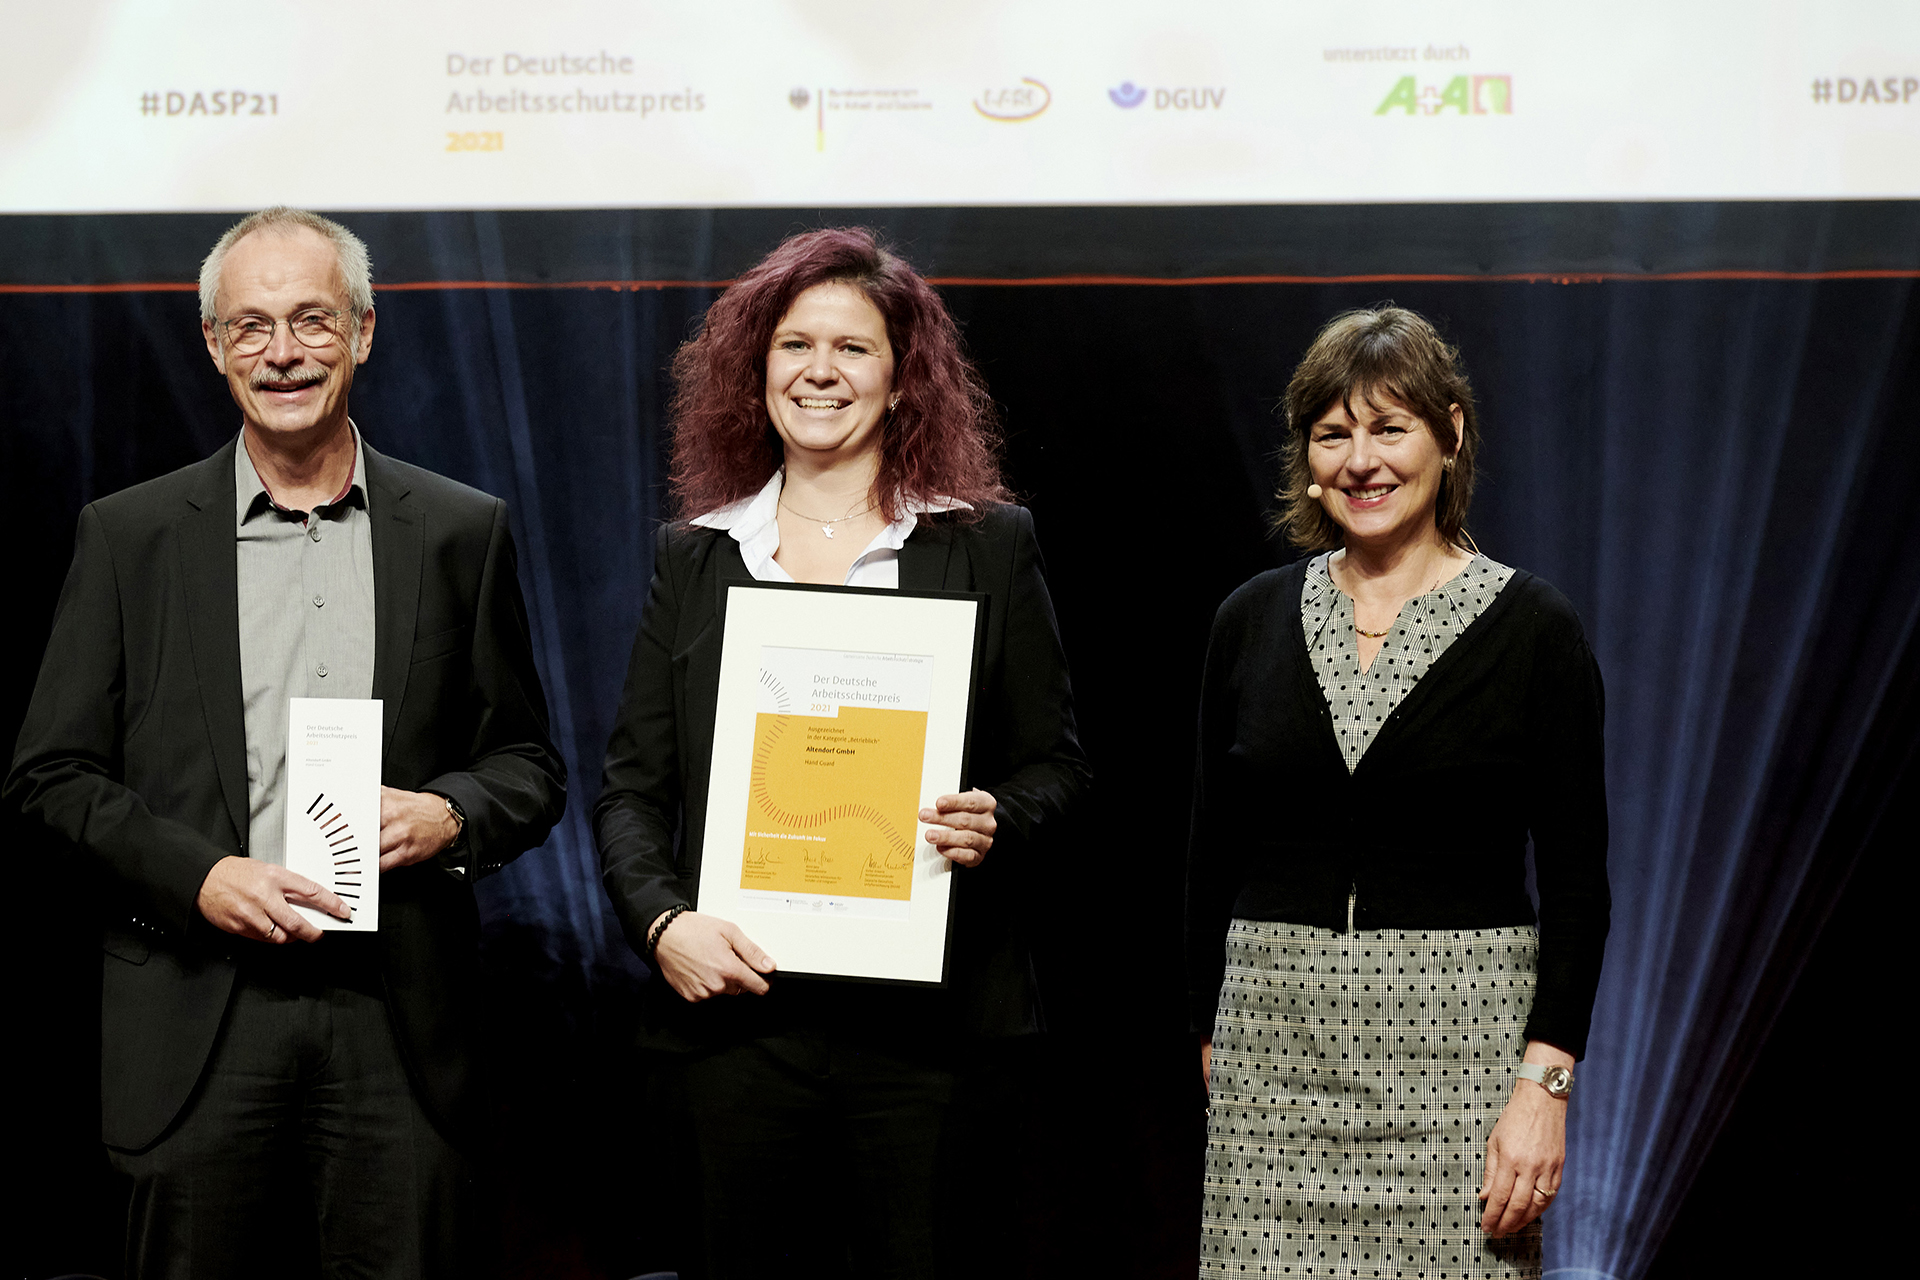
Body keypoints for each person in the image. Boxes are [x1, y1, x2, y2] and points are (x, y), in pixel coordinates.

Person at [7, 207, 567, 1278]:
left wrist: (450, 814)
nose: (283, 352)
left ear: (362, 330)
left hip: (398, 1024)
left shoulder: (460, 530)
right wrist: (199, 874)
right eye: (252, 325)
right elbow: (49, 777)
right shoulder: (129, 537)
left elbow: (529, 767)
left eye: (311, 319)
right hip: (197, 1015)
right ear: (214, 344)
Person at [595, 226, 1089, 1278]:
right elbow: (631, 790)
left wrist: (998, 817)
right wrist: (664, 923)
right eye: (795, 345)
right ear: (758, 369)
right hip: (738, 1030)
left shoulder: (986, 545)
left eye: (854, 348)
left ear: (903, 379)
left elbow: (1057, 767)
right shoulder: (698, 558)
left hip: (931, 1038)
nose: (820, 371)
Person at [1185, 307, 1610, 1278]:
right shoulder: (1250, 620)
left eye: (1389, 427)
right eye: (1333, 433)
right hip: (1273, 1054)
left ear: (1449, 433)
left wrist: (1545, 1086)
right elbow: (1208, 852)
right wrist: (1212, 1030)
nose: (1361, 460)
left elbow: (1579, 884)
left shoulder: (1534, 628)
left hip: (1463, 1058)